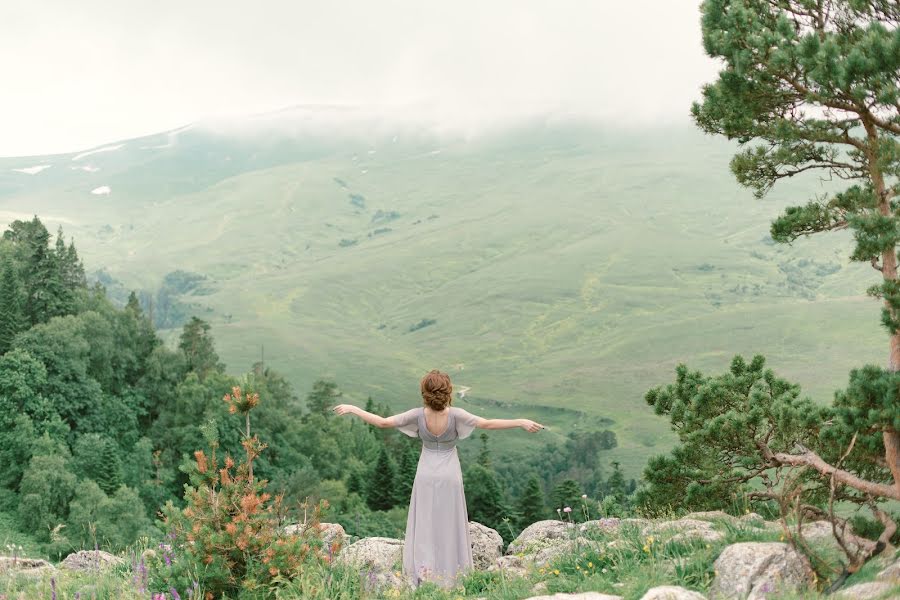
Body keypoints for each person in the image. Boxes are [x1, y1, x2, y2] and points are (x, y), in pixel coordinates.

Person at [332, 369, 545, 588]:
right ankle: (452, 574)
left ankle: (424, 573)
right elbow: (488, 423)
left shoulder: (417, 415)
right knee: (449, 522)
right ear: (448, 391)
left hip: (425, 473)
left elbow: (383, 423)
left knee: (425, 521)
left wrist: (354, 408)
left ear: (424, 392)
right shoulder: (456, 415)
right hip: (449, 473)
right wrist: (520, 421)